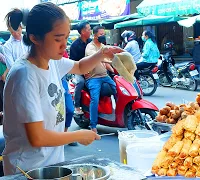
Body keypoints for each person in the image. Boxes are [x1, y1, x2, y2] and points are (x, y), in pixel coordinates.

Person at [2, 3, 125, 175]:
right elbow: (38, 137)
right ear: (34, 38)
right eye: (58, 39)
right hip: (25, 170)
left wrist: (102, 53)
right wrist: (79, 135)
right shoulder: (24, 75)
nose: (64, 45)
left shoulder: (52, 60)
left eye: (66, 38)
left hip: (51, 164)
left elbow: (81, 67)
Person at [85, 26, 116, 134]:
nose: (103, 36)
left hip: (105, 76)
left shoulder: (103, 46)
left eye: (104, 34)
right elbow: (97, 58)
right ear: (95, 35)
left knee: (118, 90)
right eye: (101, 34)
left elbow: (106, 62)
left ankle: (119, 116)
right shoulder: (90, 47)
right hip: (94, 78)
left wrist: (115, 72)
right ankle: (93, 125)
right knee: (95, 99)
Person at [69, 21, 92, 115]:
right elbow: (73, 62)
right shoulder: (74, 45)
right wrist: (83, 71)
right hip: (79, 70)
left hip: (92, 70)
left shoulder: (91, 42)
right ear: (82, 31)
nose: (90, 31)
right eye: (89, 29)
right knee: (81, 82)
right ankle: (77, 106)